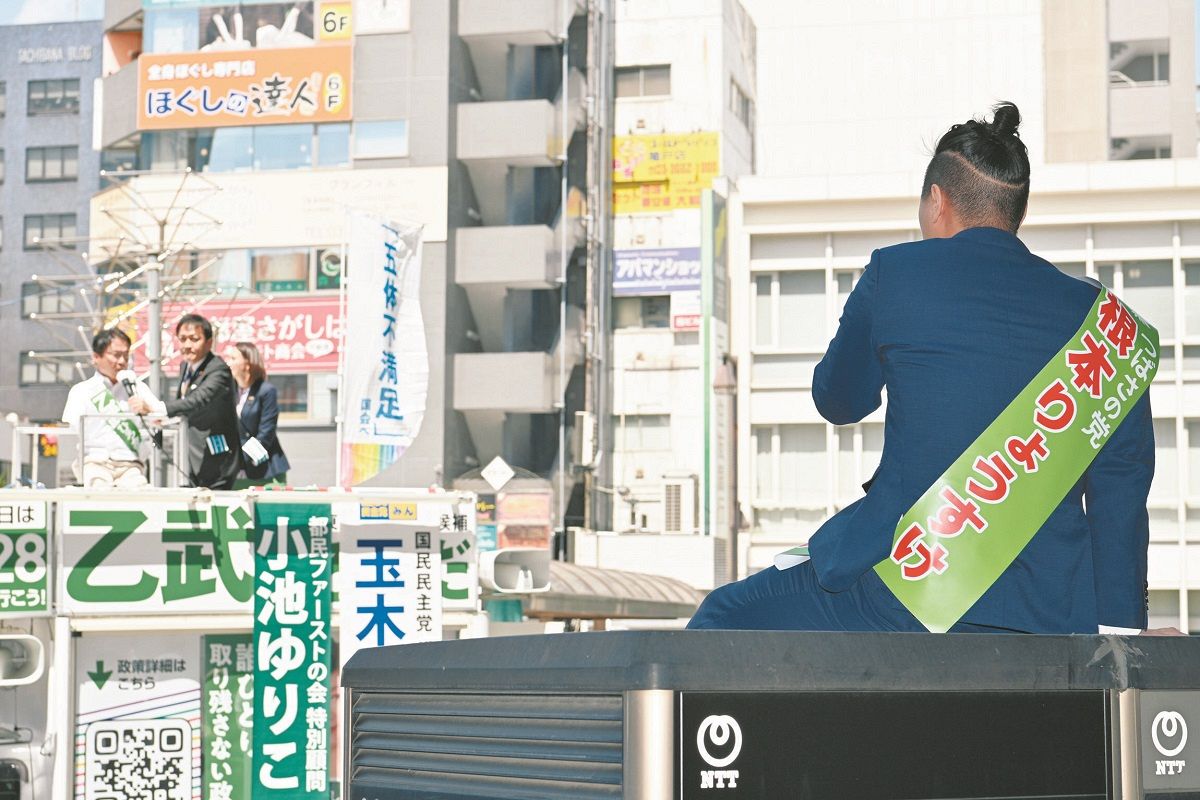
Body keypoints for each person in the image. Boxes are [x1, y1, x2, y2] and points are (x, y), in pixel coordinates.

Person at [689, 102, 1160, 635]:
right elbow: (1120, 498)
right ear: (1016, 215)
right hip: (1051, 616)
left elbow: (838, 400)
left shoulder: (897, 273)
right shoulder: (1104, 327)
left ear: (937, 200)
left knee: (722, 619)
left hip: (899, 591)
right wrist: (1124, 637)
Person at [130, 313, 240, 489]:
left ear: (209, 342)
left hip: (216, 458)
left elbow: (197, 400)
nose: (187, 345)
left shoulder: (219, 370)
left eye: (194, 339)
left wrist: (155, 408)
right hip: (187, 453)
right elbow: (183, 403)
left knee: (214, 511)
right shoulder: (185, 367)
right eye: (182, 339)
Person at [61, 328, 163, 488]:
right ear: (96, 357)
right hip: (94, 462)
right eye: (116, 355)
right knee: (98, 493)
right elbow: (71, 432)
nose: (122, 361)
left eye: (125, 355)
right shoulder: (81, 391)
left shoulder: (139, 388)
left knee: (141, 494)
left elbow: (164, 417)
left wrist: (147, 409)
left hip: (130, 464)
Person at [224, 341, 290, 488]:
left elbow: (266, 432)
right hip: (236, 469)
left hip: (265, 468)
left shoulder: (266, 391)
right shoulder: (229, 392)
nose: (229, 363)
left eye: (234, 359)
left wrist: (242, 459)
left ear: (247, 364)